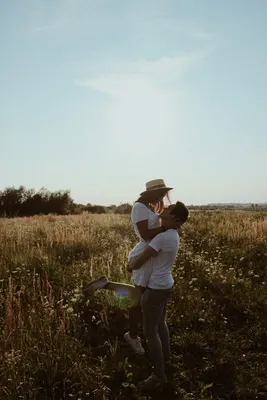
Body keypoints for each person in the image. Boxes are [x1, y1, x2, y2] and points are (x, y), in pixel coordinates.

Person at [83, 179, 178, 355]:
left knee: (137, 296)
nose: (163, 195)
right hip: (146, 252)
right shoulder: (139, 207)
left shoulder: (149, 207)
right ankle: (133, 336)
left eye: (164, 191)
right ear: (151, 192)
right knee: (137, 299)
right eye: (161, 191)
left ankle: (107, 285)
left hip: (151, 253)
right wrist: (166, 229)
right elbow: (145, 234)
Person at [128, 201, 189, 391]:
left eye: (168, 211)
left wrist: (130, 265)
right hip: (166, 285)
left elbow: (141, 259)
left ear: (176, 219)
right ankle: (167, 359)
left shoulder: (162, 238)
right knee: (161, 324)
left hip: (155, 289)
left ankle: (158, 376)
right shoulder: (173, 235)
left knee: (150, 333)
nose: (164, 210)